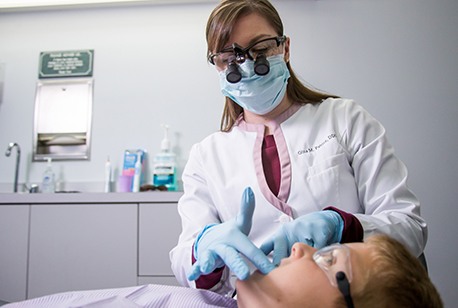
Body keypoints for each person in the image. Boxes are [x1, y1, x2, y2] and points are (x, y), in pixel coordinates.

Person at [170, 0, 427, 297]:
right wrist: (205, 247)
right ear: (217, 65)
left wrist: (344, 226)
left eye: (261, 49)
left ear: (285, 48)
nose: (249, 66)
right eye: (230, 57)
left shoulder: (344, 118)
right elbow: (185, 265)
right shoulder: (206, 156)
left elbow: (410, 228)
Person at [3, 234, 442, 308]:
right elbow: (187, 253)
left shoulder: (346, 120)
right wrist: (201, 243)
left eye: (330, 260)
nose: (302, 246)